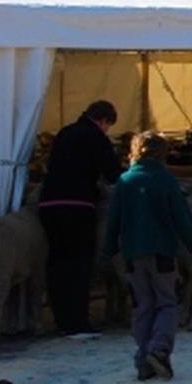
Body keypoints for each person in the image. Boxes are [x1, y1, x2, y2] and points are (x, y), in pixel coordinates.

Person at [103, 131, 192, 381]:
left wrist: (109, 248)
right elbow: (183, 219)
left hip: (132, 255)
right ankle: (159, 349)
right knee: (167, 302)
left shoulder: (124, 182)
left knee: (142, 304)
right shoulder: (166, 181)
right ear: (163, 154)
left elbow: (113, 219)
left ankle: (143, 359)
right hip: (161, 252)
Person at [39, 99, 122, 338]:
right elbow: (112, 173)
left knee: (57, 262)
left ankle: (61, 320)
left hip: (49, 203)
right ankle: (78, 322)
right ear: (103, 120)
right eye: (108, 125)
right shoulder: (96, 138)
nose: (107, 130)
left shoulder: (65, 133)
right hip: (77, 204)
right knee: (78, 263)